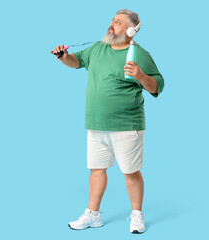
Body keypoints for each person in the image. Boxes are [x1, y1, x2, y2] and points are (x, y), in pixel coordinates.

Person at [50, 9, 164, 233]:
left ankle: (137, 215)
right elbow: (77, 62)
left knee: (130, 172)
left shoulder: (139, 54)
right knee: (96, 169)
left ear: (131, 30)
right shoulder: (97, 48)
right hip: (96, 124)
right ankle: (93, 215)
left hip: (126, 125)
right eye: (112, 20)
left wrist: (141, 76)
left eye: (118, 22)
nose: (112, 24)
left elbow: (158, 86)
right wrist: (63, 57)